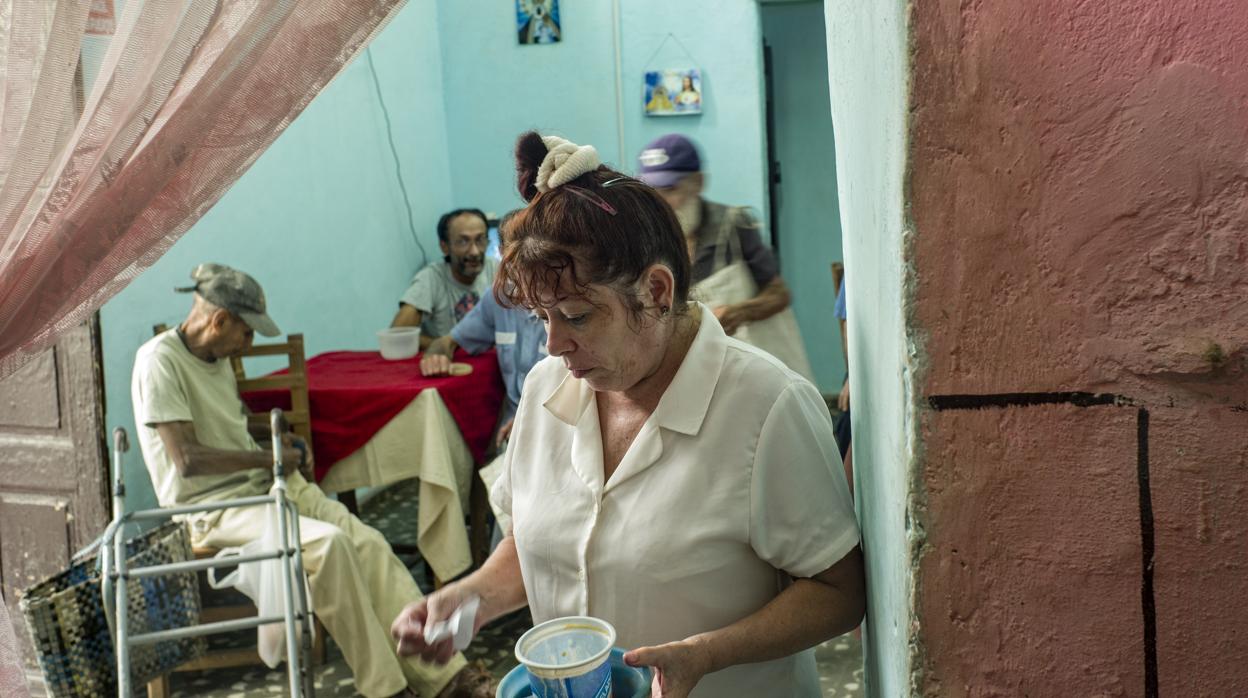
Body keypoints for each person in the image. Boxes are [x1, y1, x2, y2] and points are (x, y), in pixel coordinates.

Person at [392, 134, 864, 698]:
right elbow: (538, 543)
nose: (553, 345)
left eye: (577, 316)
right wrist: (466, 600)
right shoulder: (548, 391)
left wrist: (706, 654)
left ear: (657, 291)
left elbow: (839, 591)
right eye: (542, 316)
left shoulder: (767, 405)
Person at [132, 263, 494, 698]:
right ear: (220, 320)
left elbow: (227, 421)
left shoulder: (215, 356)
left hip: (267, 489)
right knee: (330, 546)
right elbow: (187, 458)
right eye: (246, 333)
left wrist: (272, 432)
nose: (247, 345)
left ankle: (445, 677)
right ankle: (385, 689)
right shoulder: (158, 361)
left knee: (370, 544)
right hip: (212, 509)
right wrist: (270, 458)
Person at [420, 210, 547, 540]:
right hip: (513, 431)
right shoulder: (500, 299)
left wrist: (533, 420)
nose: (517, 279)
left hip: (556, 422)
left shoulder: (568, 303)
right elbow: (447, 342)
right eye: (509, 264)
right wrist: (436, 355)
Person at [636, 133, 791, 338]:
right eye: (652, 192)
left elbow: (779, 294)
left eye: (670, 189)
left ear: (698, 183)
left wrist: (739, 312)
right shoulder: (644, 240)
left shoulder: (733, 225)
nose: (661, 203)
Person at [392, 208, 498, 349]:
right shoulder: (431, 278)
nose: (475, 251)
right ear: (445, 247)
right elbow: (397, 335)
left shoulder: (497, 270)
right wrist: (447, 345)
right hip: (448, 365)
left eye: (480, 240)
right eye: (463, 242)